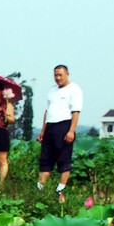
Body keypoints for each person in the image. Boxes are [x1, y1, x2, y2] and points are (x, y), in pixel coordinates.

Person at [36, 64, 82, 199]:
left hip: (64, 126)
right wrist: (43, 131)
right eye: (55, 75)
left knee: (64, 159)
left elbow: (76, 112)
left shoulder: (74, 89)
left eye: (60, 75)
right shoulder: (52, 91)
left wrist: (71, 130)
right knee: (45, 158)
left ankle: (60, 189)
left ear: (67, 74)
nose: (58, 77)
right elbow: (47, 111)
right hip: (50, 126)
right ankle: (40, 189)